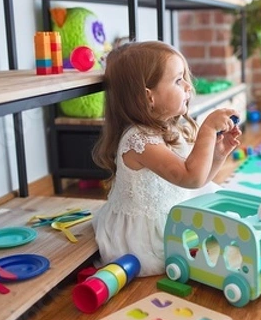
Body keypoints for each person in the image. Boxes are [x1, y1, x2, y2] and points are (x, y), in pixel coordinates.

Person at [91, 41, 242, 276]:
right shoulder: (139, 141)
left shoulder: (165, 129)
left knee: (223, 205)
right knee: (229, 231)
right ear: (148, 97)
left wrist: (219, 153)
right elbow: (191, 178)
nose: (188, 86)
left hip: (173, 205)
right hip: (146, 238)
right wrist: (208, 128)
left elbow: (198, 181)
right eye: (178, 80)